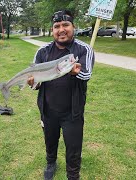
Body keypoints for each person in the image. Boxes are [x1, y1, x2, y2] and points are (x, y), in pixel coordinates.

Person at [27, 10, 95, 180]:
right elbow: (36, 82)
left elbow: (86, 75)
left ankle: (73, 174)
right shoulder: (42, 52)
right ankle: (51, 163)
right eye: (57, 26)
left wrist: (74, 73)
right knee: (50, 141)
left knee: (73, 147)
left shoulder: (84, 49)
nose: (61, 29)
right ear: (52, 30)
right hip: (48, 109)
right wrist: (33, 83)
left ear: (74, 27)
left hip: (72, 111)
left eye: (65, 25)